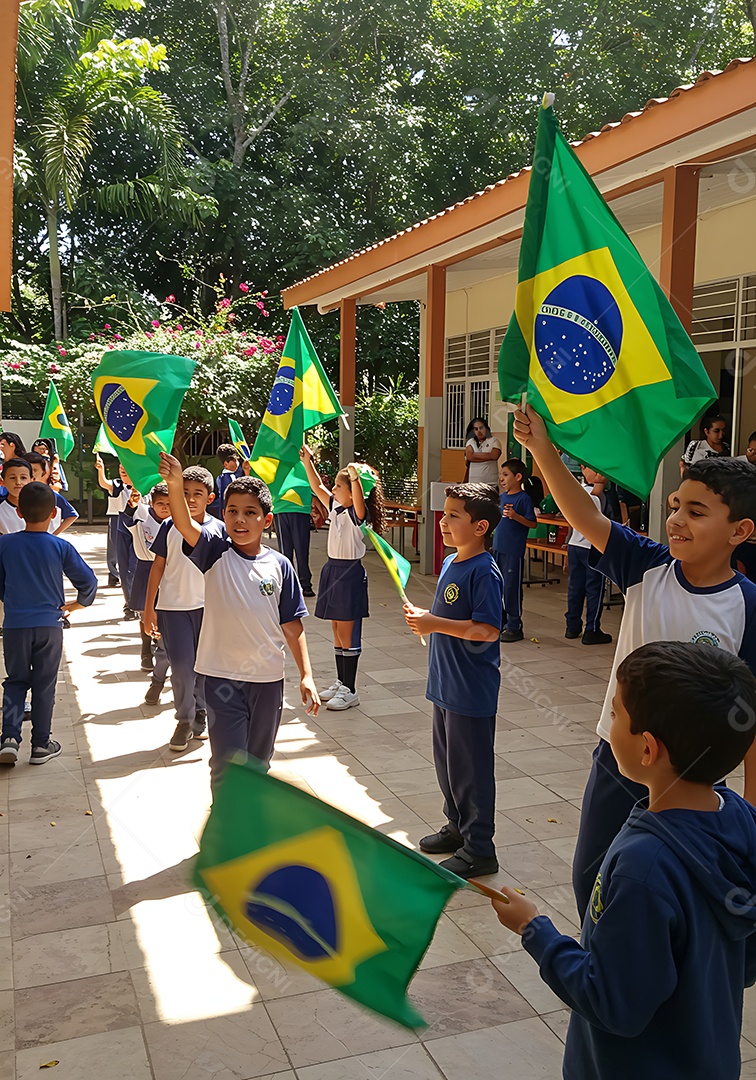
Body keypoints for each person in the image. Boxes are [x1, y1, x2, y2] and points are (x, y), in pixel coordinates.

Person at [514, 404, 756, 919]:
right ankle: (600, 972)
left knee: (670, 883)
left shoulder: (749, 606)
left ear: (740, 531)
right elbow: (586, 516)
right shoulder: (647, 567)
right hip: (618, 757)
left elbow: (751, 718)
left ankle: (645, 974)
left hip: (690, 775)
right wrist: (542, 449)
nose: (676, 520)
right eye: (674, 506)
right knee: (593, 873)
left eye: (696, 512)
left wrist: (752, 813)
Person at [491, 641, 756, 1080]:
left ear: (647, 749)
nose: (609, 723)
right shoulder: (742, 821)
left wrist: (533, 929)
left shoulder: (644, 868)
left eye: (615, 714)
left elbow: (612, 1003)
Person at [157, 452, 319, 791]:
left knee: (259, 764)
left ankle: (251, 834)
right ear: (223, 515)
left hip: (267, 680)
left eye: (250, 513)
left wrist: (307, 675)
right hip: (220, 679)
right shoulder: (214, 551)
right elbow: (185, 524)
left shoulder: (280, 566)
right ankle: (224, 838)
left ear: (267, 519)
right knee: (227, 764)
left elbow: (292, 624)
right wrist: (175, 484)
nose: (240, 520)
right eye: (232, 512)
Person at [404, 482, 503, 879]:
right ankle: (457, 827)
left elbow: (487, 630)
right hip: (444, 685)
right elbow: (450, 620)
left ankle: (480, 848)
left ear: (480, 527)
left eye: (453, 516)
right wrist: (426, 622)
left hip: (470, 690)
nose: (442, 521)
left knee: (472, 770)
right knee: (448, 766)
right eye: (444, 513)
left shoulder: (485, 570)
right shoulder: (450, 562)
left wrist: (434, 622)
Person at [0, 482, 97, 765]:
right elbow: (88, 582)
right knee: (44, 684)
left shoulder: (5, 544)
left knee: (16, 681)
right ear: (55, 512)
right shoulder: (61, 546)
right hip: (50, 625)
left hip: (15, 624)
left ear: (18, 511)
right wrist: (76, 606)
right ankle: (41, 744)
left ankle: (9, 738)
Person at [143, 466, 223, 752]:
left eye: (197, 494)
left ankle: (201, 710)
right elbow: (158, 566)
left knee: (204, 668)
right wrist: (148, 608)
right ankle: (184, 719)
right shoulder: (168, 527)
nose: (190, 499)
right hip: (172, 609)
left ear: (210, 498)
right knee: (181, 669)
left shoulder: (219, 530)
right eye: (184, 492)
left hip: (207, 610)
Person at [300, 445, 383, 711]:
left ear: (353, 492)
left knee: (348, 632)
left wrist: (355, 477)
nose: (333, 489)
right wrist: (307, 461)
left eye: (338, 486)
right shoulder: (336, 507)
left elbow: (359, 500)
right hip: (332, 570)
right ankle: (341, 681)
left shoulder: (358, 515)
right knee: (336, 630)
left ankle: (351, 689)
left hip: (349, 573)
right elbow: (315, 485)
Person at [121, 483, 172, 699]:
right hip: (146, 567)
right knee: (145, 612)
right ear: (151, 502)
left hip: (169, 572)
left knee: (164, 613)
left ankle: (161, 649)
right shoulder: (142, 515)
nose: (165, 508)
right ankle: (145, 651)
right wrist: (131, 506)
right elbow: (125, 522)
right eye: (160, 504)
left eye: (169, 504)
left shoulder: (176, 522)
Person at [564, 465, 613, 646]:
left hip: (575, 545)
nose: (602, 474)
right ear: (583, 470)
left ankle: (572, 626)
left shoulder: (577, 491)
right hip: (591, 546)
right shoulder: (593, 495)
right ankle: (592, 629)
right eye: (596, 470)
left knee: (575, 587)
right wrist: (600, 486)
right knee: (594, 588)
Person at [492, 458, 536, 643]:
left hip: (513, 551)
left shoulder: (523, 498)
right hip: (498, 549)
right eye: (500, 475)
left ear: (518, 477)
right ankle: (500, 622)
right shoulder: (502, 498)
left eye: (505, 475)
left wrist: (516, 516)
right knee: (497, 586)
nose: (501, 479)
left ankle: (514, 625)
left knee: (511, 588)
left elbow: (532, 523)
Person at [95, 456, 132, 597]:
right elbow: (104, 483)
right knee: (114, 546)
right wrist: (101, 469)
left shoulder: (139, 485)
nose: (123, 470)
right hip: (117, 517)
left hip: (133, 518)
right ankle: (113, 573)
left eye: (126, 468)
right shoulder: (116, 484)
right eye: (121, 468)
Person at [23, 453, 78, 535]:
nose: (32, 474)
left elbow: (72, 515)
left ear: (43, 472)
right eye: (28, 470)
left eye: (35, 470)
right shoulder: (15, 493)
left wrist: (54, 534)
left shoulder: (49, 494)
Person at [274, 509, 315, 598]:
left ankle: (299, 585)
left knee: (297, 552)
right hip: (283, 507)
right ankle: (294, 584)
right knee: (290, 553)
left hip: (295, 507)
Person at [209, 443, 244, 520]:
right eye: (235, 460)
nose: (237, 463)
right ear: (226, 464)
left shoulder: (221, 477)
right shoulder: (229, 478)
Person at [464, 417, 502, 485]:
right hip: (474, 485)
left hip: (491, 484)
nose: (479, 431)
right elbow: (470, 456)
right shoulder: (471, 442)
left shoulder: (494, 441)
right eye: (476, 429)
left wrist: (475, 456)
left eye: (481, 428)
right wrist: (488, 456)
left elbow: (494, 456)